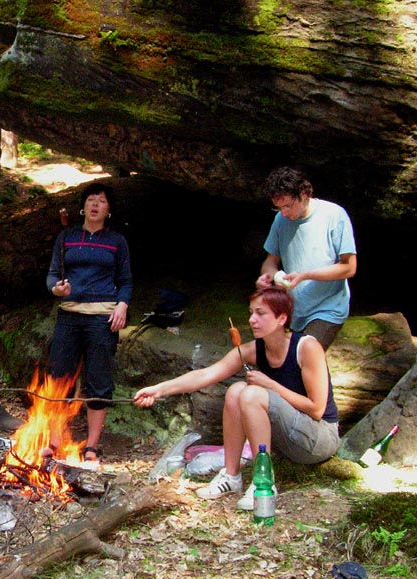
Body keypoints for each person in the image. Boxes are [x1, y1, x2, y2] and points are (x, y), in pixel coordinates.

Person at [134, 287, 340, 510]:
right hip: (288, 438)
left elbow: (316, 409)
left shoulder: (306, 347)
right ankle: (231, 476)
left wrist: (271, 386)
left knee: (251, 393)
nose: (252, 320)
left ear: (282, 318)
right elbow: (206, 374)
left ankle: (264, 484)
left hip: (319, 438)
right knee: (236, 391)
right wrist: (158, 390)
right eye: (251, 313)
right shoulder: (252, 350)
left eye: (261, 313)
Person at [46, 181, 133, 465]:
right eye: (91, 200)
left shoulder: (117, 241)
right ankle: (55, 441)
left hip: (102, 318)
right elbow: (51, 276)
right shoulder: (67, 237)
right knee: (59, 377)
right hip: (70, 316)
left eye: (102, 201)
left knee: (98, 381)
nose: (96, 205)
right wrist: (56, 289)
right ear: (83, 206)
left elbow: (125, 281)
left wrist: (122, 305)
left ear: (108, 210)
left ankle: (92, 446)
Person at [256, 166, 357, 350]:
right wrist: (269, 277)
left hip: (327, 308)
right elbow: (271, 261)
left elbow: (349, 268)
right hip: (294, 309)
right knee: (290, 363)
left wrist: (305, 275)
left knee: (303, 357)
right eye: (278, 207)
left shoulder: (334, 215)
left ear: (304, 194)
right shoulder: (281, 219)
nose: (284, 212)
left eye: (287, 205)